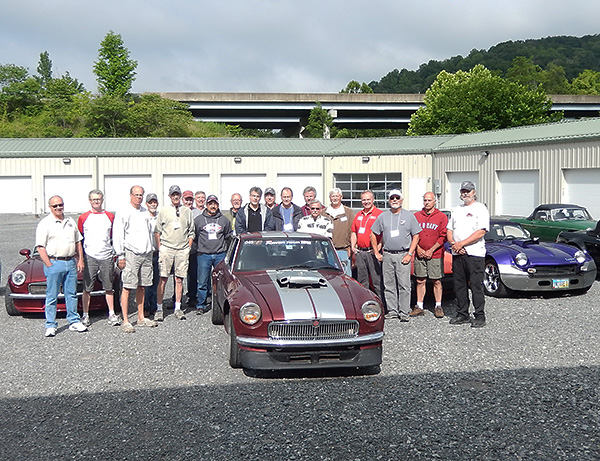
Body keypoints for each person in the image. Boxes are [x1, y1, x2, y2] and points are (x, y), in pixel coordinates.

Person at [36, 195, 88, 337]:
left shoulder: (70, 221)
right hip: (54, 262)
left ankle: (74, 321)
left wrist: (80, 260)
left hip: (70, 262)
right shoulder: (45, 223)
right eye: (55, 206)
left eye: (60, 205)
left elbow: (78, 242)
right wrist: (49, 264)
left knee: (71, 294)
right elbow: (40, 247)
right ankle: (50, 325)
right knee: (52, 295)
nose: (59, 208)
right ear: (50, 207)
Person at [371, 189, 421, 321]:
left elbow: (416, 236)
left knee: (404, 285)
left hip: (403, 254)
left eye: (397, 197)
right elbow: (373, 233)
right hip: (387, 254)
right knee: (389, 284)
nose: (394, 200)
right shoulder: (383, 216)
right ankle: (392, 310)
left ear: (401, 200)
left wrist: (410, 254)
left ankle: (404, 311)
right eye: (392, 198)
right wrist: (376, 251)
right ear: (388, 200)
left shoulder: (409, 216)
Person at [113, 185, 158, 333]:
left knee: (143, 286)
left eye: (141, 195)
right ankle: (125, 320)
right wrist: (120, 255)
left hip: (146, 254)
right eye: (136, 195)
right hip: (131, 253)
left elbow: (151, 232)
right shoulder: (123, 212)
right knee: (127, 287)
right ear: (130, 195)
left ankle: (140, 317)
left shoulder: (146, 213)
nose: (139, 197)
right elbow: (118, 234)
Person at [447, 181, 490, 328]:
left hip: (475, 254)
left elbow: (481, 232)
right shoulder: (456, 209)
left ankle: (479, 315)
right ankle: (462, 313)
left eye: (468, 191)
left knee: (476, 286)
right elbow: (449, 230)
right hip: (458, 253)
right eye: (463, 191)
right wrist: (454, 244)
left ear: (474, 192)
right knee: (459, 285)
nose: (465, 194)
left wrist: (462, 244)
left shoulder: (481, 208)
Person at [77, 189, 119, 327]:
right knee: (87, 288)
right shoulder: (83, 217)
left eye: (98, 199)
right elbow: (80, 238)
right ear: (90, 201)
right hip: (90, 257)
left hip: (106, 256)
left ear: (102, 200)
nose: (96, 201)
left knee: (108, 287)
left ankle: (111, 313)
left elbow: (113, 235)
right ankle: (85, 315)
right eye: (94, 199)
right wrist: (81, 258)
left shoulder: (109, 216)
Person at [154, 185, 195, 321]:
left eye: (177, 194)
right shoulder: (164, 211)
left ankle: (178, 308)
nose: (175, 197)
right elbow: (157, 231)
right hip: (167, 248)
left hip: (182, 249)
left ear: (180, 196)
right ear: (170, 196)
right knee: (163, 278)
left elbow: (191, 231)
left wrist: (188, 247)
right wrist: (160, 247)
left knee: (179, 279)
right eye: (173, 195)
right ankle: (159, 309)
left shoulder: (187, 211)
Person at [194, 195, 232, 314]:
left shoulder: (224, 220)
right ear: (206, 205)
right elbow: (194, 236)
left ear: (218, 205)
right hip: (203, 255)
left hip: (220, 254)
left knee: (222, 281)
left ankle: (221, 303)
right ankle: (201, 304)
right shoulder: (199, 220)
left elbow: (228, 236)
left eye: (214, 204)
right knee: (202, 281)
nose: (212, 206)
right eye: (210, 204)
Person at [412, 192, 448, 318]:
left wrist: (431, 250)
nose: (427, 203)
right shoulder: (416, 216)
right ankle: (419, 306)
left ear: (434, 201)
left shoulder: (441, 217)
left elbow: (443, 236)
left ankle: (438, 305)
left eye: (429, 200)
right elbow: (412, 234)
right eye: (425, 200)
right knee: (420, 280)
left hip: (436, 254)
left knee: (436, 280)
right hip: (420, 253)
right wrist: (418, 248)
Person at [351, 190, 383, 298]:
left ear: (373, 200)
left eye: (368, 199)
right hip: (360, 252)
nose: (366, 202)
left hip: (372, 252)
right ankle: (365, 303)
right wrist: (353, 246)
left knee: (376, 281)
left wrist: (379, 247)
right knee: (362, 281)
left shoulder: (379, 214)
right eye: (363, 200)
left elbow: (384, 233)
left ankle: (382, 305)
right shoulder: (358, 215)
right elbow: (354, 232)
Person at [321, 188, 354, 276]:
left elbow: (352, 231)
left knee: (345, 276)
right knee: (329, 275)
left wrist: (351, 247)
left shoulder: (348, 212)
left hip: (343, 250)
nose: (335, 198)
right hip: (327, 250)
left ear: (341, 197)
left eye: (337, 196)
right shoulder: (323, 212)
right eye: (333, 196)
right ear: (330, 198)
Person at [143, 193, 160, 316]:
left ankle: (154, 306)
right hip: (146, 254)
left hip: (157, 253)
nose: (153, 204)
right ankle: (144, 306)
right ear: (146, 204)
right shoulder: (143, 217)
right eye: (150, 202)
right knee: (145, 282)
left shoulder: (160, 217)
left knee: (156, 281)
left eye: (154, 202)